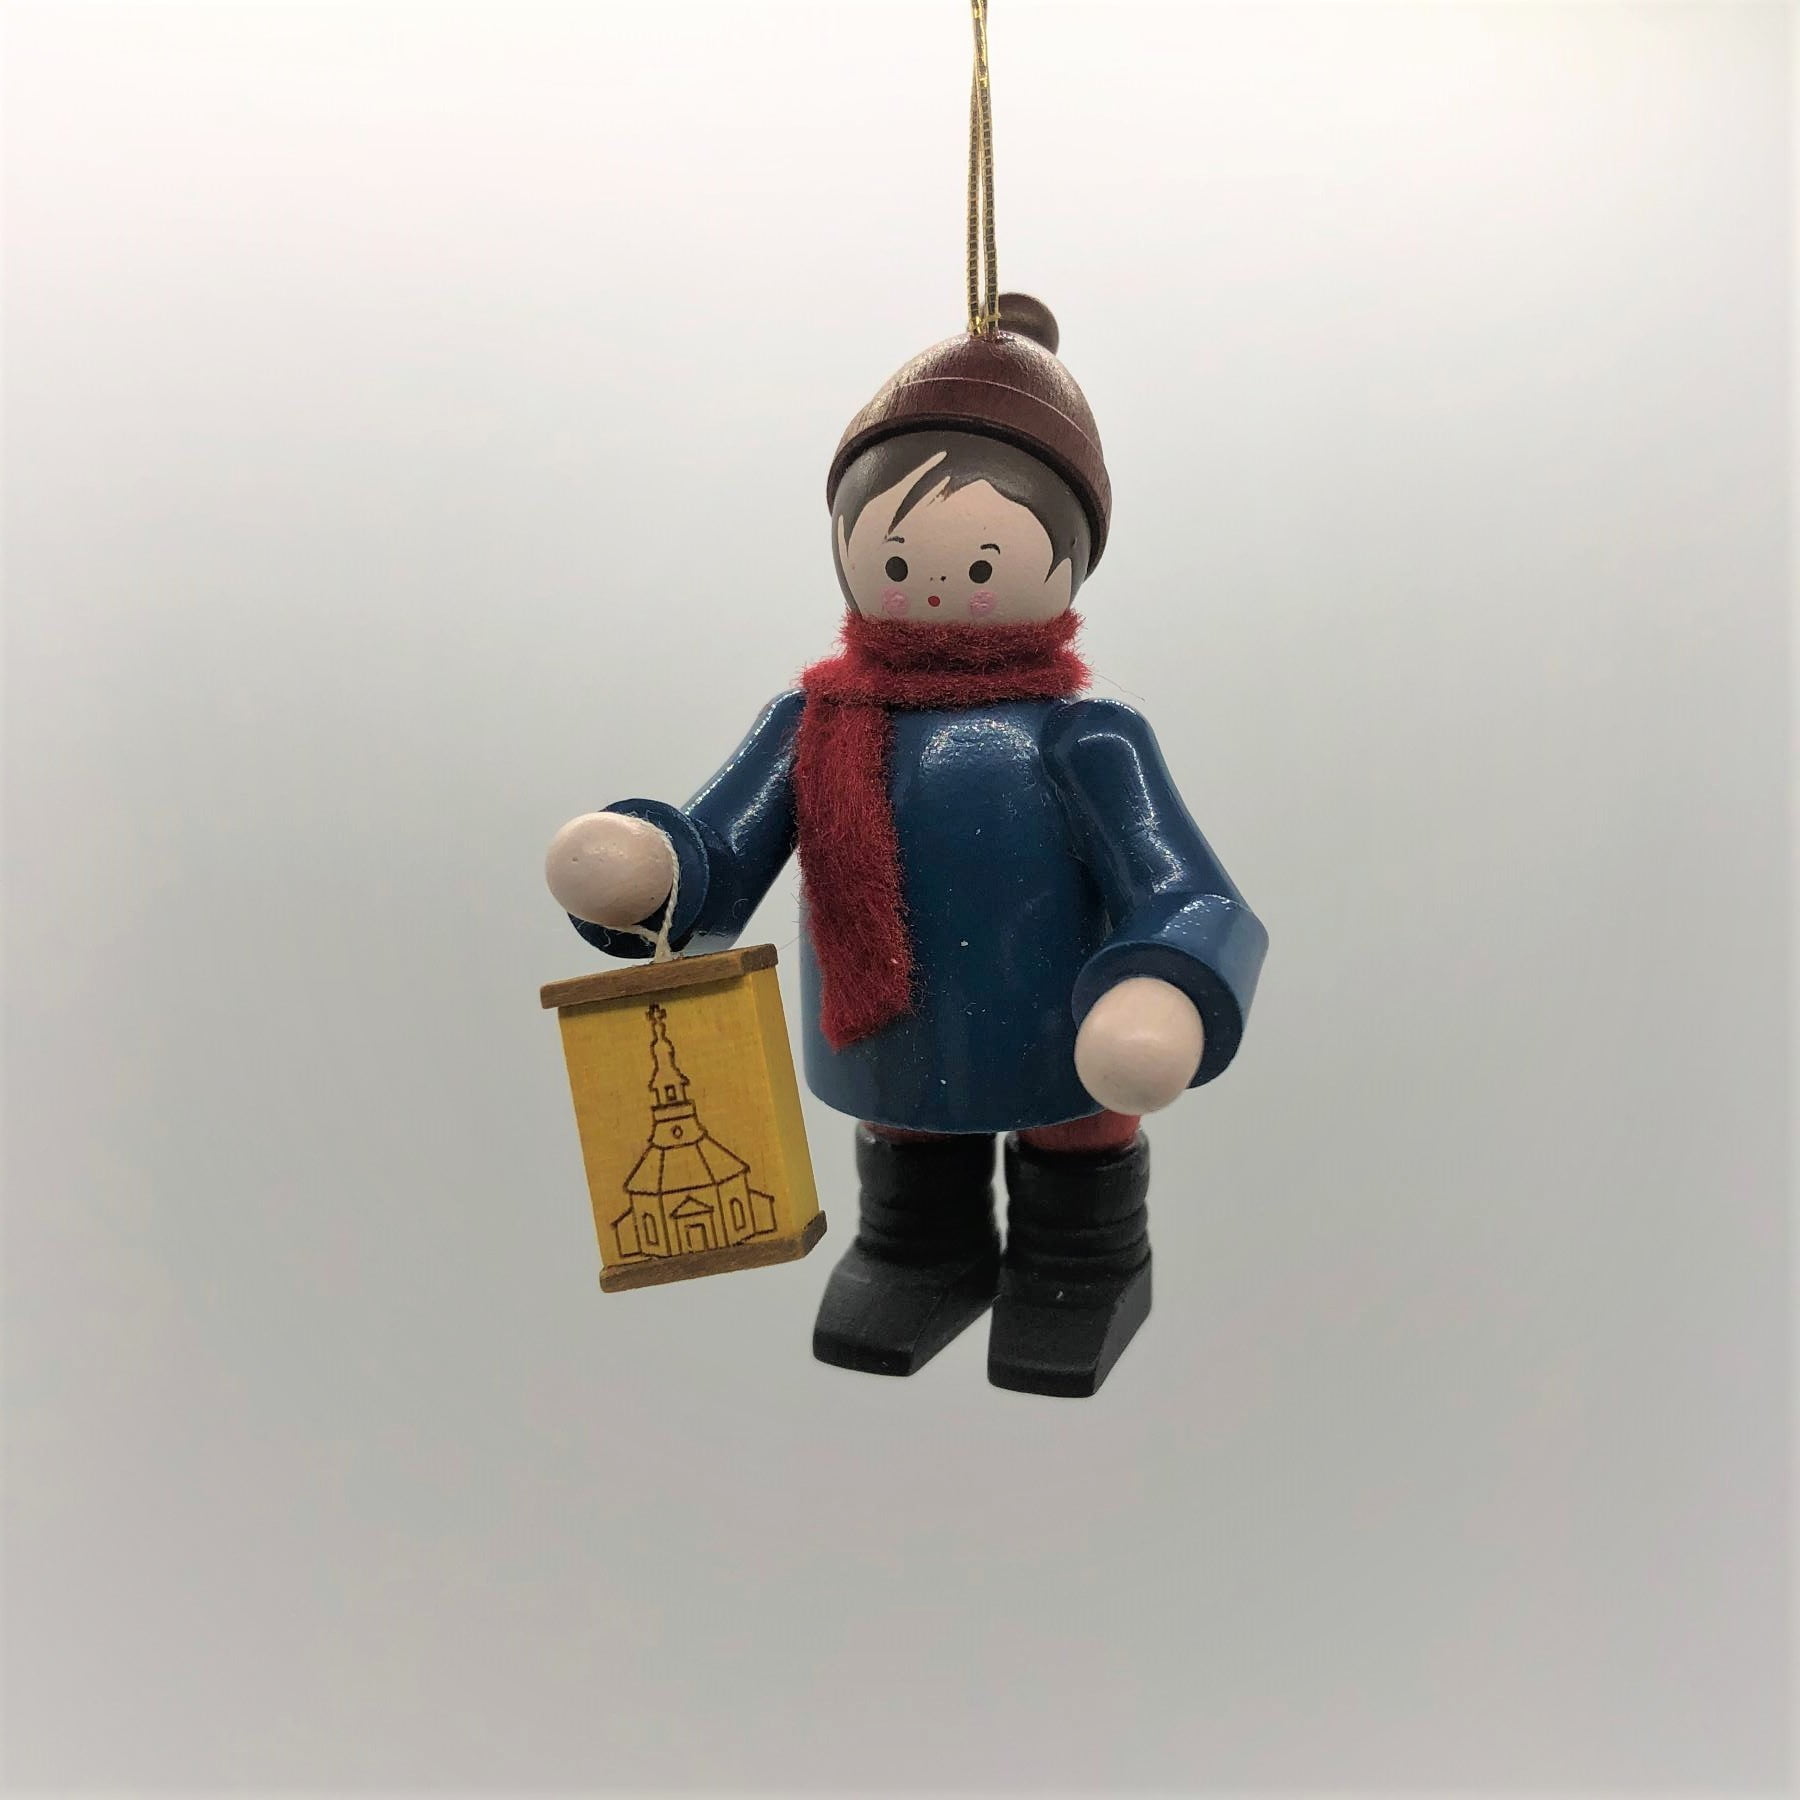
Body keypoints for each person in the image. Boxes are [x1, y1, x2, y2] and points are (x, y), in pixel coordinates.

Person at [545, 295, 1268, 1397]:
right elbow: (724, 845)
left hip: (1064, 1019)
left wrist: (1165, 983)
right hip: (891, 1025)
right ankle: (915, 1253)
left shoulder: (1087, 736)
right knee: (910, 1127)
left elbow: (1182, 885)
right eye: (892, 556)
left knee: (1078, 1129)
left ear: (1070, 558)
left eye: (981, 565)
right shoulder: (816, 722)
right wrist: (652, 866)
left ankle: (1084, 1267)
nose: (931, 584)